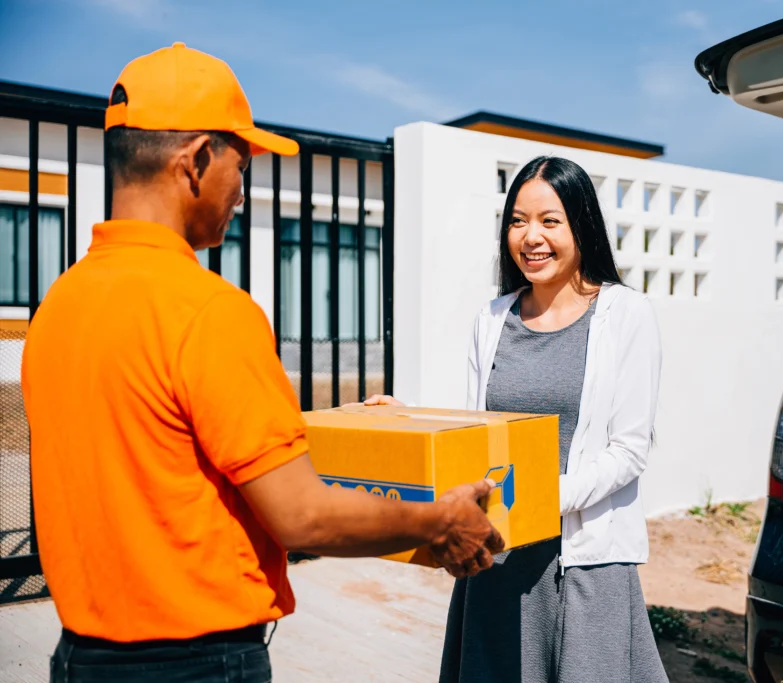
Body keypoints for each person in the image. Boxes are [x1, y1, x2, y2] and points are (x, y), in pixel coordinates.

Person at [21, 43, 502, 683]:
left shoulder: (59, 305)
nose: (242, 193)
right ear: (197, 160)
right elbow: (302, 516)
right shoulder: (207, 311)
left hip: (81, 657)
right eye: (241, 166)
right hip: (196, 664)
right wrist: (439, 520)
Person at [365, 156, 668, 682]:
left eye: (550, 221)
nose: (531, 237)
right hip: (499, 556)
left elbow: (629, 449)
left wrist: (541, 497)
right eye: (518, 221)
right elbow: (476, 432)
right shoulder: (492, 318)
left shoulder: (627, 314)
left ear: (582, 226)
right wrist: (407, 418)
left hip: (585, 560)